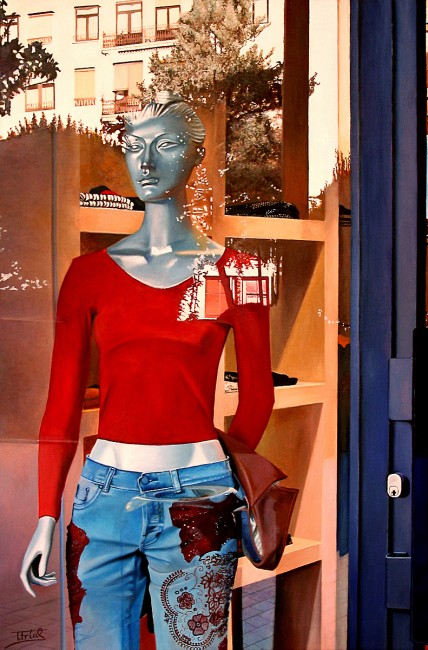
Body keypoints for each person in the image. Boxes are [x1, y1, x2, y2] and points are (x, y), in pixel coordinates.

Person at [20, 91, 274, 649]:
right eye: (135, 146)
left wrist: (222, 484)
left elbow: (259, 397)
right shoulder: (87, 274)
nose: (148, 161)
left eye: (167, 145)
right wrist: (45, 516)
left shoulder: (240, 272)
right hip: (102, 496)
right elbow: (61, 405)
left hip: (198, 495)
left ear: (196, 155)